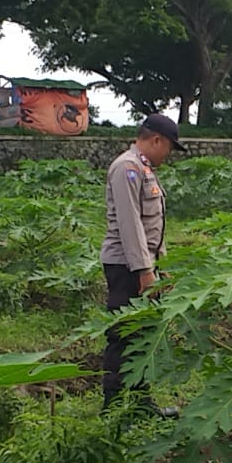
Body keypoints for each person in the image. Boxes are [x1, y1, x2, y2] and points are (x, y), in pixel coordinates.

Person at [100, 113, 185, 413]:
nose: (169, 154)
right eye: (169, 148)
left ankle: (139, 404)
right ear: (156, 140)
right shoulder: (127, 168)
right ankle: (113, 406)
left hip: (143, 264)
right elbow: (130, 224)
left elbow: (152, 228)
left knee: (142, 335)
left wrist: (162, 266)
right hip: (127, 266)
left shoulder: (143, 169)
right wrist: (144, 271)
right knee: (123, 333)